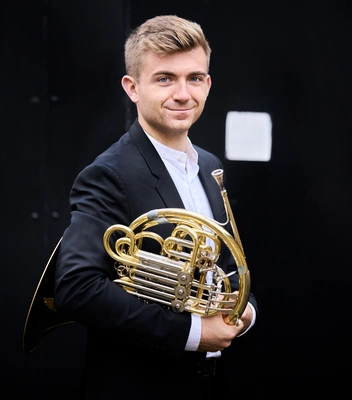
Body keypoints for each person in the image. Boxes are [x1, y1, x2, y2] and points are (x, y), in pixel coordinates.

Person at [54, 14, 258, 400]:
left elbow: (227, 266)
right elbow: (75, 288)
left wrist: (244, 310)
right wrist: (192, 332)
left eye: (194, 78)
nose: (183, 93)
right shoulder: (107, 174)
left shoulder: (210, 166)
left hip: (209, 384)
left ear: (208, 84)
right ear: (132, 88)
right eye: (165, 78)